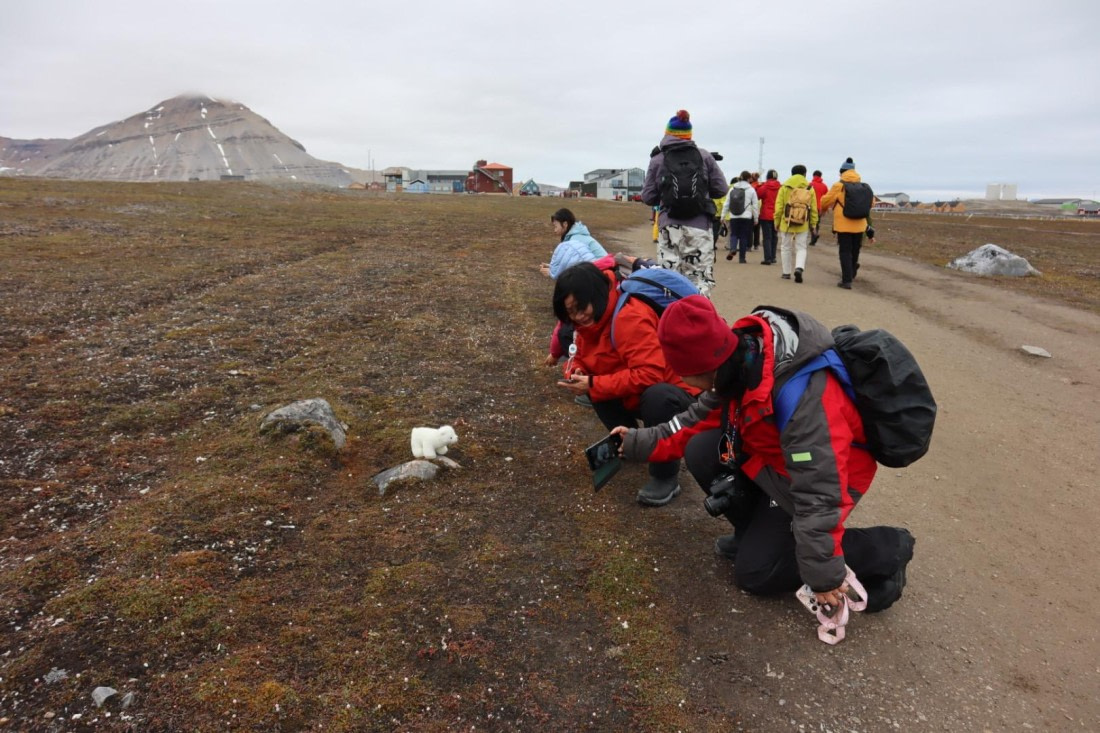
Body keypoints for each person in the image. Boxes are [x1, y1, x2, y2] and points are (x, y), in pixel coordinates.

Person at [610, 295, 915, 611]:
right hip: (778, 465)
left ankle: (887, 547)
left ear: (703, 367)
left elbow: (819, 491)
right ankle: (753, 534)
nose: (680, 379)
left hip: (829, 478)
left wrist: (823, 576)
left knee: (755, 573)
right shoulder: (738, 361)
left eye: (680, 370)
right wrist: (635, 441)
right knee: (701, 449)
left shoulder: (801, 398)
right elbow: (693, 421)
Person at [552, 262, 700, 506]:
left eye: (581, 308)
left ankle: (665, 476)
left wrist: (594, 383)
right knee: (595, 385)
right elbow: (580, 356)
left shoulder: (629, 316)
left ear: (596, 296)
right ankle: (631, 445)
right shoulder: (591, 322)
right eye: (570, 312)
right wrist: (576, 371)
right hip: (639, 392)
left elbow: (652, 374)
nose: (578, 316)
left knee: (657, 396)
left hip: (680, 397)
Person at [641, 110, 728, 298]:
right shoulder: (704, 156)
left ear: (667, 134)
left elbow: (648, 196)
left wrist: (666, 197)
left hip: (669, 226)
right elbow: (721, 189)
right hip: (700, 228)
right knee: (699, 278)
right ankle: (699, 319)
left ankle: (671, 319)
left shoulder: (658, 159)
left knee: (669, 279)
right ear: (689, 135)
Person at [539, 209, 614, 372]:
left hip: (597, 282)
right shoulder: (576, 239)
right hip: (602, 274)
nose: (554, 230)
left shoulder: (575, 240)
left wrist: (554, 353)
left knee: (569, 329)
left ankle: (589, 367)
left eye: (555, 226)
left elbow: (575, 270)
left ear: (565, 224)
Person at [819, 157, 869, 289]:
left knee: (845, 251)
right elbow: (871, 203)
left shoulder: (838, 186)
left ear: (842, 172)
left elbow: (825, 201)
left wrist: (823, 209)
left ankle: (847, 280)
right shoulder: (862, 185)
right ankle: (852, 269)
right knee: (855, 249)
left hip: (844, 224)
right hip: (860, 223)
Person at [773, 165, 819, 283]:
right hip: (803, 222)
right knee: (801, 247)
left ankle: (786, 272)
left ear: (792, 173)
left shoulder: (784, 187)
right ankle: (799, 267)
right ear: (804, 174)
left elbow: (779, 207)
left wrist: (776, 221)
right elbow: (813, 209)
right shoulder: (810, 188)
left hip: (786, 222)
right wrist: (813, 224)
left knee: (785, 247)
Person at [719, 171, 759, 263]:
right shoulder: (751, 189)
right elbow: (755, 205)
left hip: (734, 215)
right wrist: (756, 218)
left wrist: (722, 216)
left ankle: (733, 248)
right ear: (749, 179)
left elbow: (726, 203)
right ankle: (742, 258)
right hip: (746, 216)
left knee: (734, 234)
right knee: (744, 237)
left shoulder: (733, 188)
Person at [756, 170, 781, 266]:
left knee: (767, 237)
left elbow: (757, 196)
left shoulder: (765, 187)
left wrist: (758, 186)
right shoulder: (780, 187)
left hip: (766, 214)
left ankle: (768, 258)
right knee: (774, 236)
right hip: (777, 214)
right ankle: (773, 257)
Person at [809, 170, 828, 246]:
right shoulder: (824, 186)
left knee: (810, 223)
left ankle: (814, 236)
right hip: (820, 208)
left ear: (813, 176)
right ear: (821, 176)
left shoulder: (810, 185)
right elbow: (827, 198)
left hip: (811, 207)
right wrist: (825, 209)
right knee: (816, 223)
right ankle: (814, 236)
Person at [749, 172, 762, 251]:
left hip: (750, 208)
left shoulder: (750, 186)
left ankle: (749, 245)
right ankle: (756, 244)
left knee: (750, 229)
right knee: (756, 229)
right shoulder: (760, 185)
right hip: (758, 207)